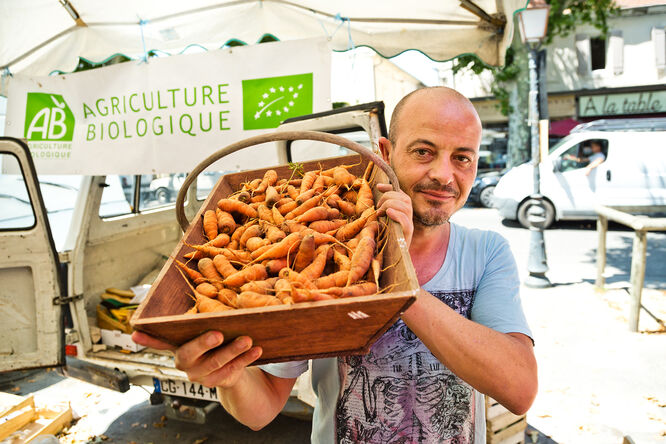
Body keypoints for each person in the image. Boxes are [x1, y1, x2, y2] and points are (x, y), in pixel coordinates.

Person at [132, 86, 537, 443]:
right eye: (423, 151)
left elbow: (519, 390)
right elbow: (259, 411)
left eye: (462, 158)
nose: (443, 175)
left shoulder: (486, 252)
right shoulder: (317, 258)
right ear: (384, 153)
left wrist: (397, 278)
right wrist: (228, 374)